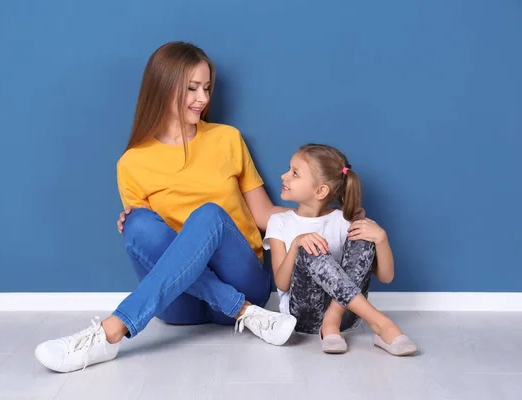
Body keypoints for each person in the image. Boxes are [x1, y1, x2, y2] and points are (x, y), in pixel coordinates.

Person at [35, 41, 297, 373]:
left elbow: (263, 215)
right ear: (163, 88)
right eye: (191, 88)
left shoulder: (226, 139)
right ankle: (243, 312)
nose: (202, 98)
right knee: (137, 224)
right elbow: (153, 245)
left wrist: (331, 215)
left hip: (244, 281)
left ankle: (111, 332)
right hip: (179, 305)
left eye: (206, 88)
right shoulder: (132, 163)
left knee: (209, 214)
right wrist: (137, 224)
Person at [264, 144, 418, 356]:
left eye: (295, 173)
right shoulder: (279, 222)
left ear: (320, 191)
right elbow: (281, 283)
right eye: (289, 169)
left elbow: (386, 276)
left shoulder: (344, 221)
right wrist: (296, 245)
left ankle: (332, 320)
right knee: (309, 247)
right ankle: (382, 324)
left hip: (346, 316)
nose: (284, 176)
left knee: (362, 234)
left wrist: (381, 239)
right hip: (303, 315)